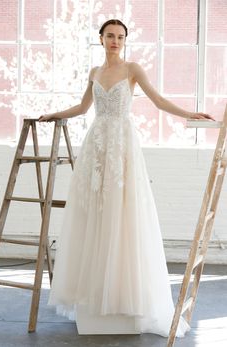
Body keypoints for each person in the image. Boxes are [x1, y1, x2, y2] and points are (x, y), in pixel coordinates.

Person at [39, 19, 214, 337]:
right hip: (97, 145)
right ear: (101, 39)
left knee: (123, 210)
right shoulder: (94, 72)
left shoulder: (133, 69)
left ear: (125, 40)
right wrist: (55, 114)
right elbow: (82, 107)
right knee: (95, 210)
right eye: (110, 36)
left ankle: (122, 294)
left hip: (122, 145)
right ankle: (94, 295)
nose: (115, 41)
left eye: (120, 37)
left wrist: (190, 113)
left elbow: (158, 100)